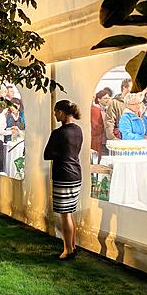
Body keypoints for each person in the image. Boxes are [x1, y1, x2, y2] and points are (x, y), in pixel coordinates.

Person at [44, 100, 83, 261]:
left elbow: (47, 154)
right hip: (76, 174)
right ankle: (72, 246)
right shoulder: (78, 130)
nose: (54, 114)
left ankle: (67, 249)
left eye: (55, 111)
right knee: (70, 212)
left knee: (65, 214)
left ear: (61, 112)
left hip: (63, 175)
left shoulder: (58, 133)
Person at [90, 89, 111, 160]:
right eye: (105, 98)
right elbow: (96, 127)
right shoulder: (96, 110)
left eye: (108, 98)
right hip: (98, 139)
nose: (107, 100)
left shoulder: (106, 109)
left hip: (102, 139)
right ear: (98, 99)